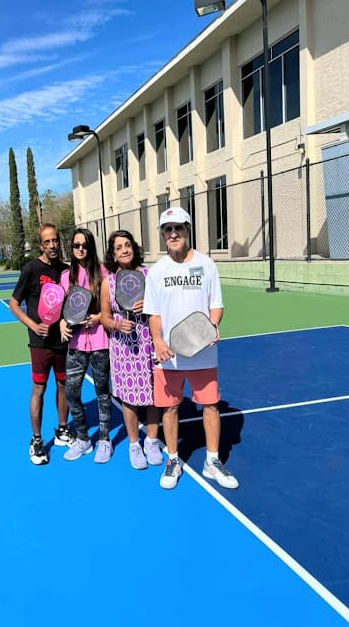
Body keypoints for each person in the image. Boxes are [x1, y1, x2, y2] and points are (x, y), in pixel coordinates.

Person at [143, 207, 239, 491]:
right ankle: (173, 459)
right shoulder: (157, 271)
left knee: (210, 405)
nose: (173, 234)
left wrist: (212, 325)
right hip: (169, 357)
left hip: (203, 352)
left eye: (179, 228)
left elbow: (216, 305)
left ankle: (212, 461)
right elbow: (154, 313)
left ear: (187, 230)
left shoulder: (207, 264)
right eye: (168, 230)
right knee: (170, 408)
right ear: (162, 235)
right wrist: (158, 341)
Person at [9, 223, 75, 465]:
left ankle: (62, 430)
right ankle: (37, 440)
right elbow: (14, 304)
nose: (52, 245)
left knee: (64, 385)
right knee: (39, 389)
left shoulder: (67, 271)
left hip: (63, 341)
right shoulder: (30, 269)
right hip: (39, 343)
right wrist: (33, 325)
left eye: (55, 240)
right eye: (47, 242)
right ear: (40, 245)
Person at [100, 230, 163, 470]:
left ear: (134, 248)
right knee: (129, 397)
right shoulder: (109, 282)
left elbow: (162, 308)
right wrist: (117, 324)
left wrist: (148, 306)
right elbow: (104, 318)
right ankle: (134, 445)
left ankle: (152, 440)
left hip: (148, 340)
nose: (124, 250)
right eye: (118, 247)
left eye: (127, 245)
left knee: (153, 394)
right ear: (113, 254)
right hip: (123, 345)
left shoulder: (149, 275)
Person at [60, 228, 113, 464]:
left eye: (84, 245)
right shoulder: (65, 277)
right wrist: (62, 322)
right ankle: (83, 439)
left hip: (100, 342)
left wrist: (99, 317)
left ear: (90, 247)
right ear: (71, 249)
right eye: (76, 245)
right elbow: (61, 309)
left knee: (102, 392)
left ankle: (104, 439)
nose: (80, 249)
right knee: (71, 392)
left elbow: (110, 308)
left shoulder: (103, 273)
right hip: (76, 344)